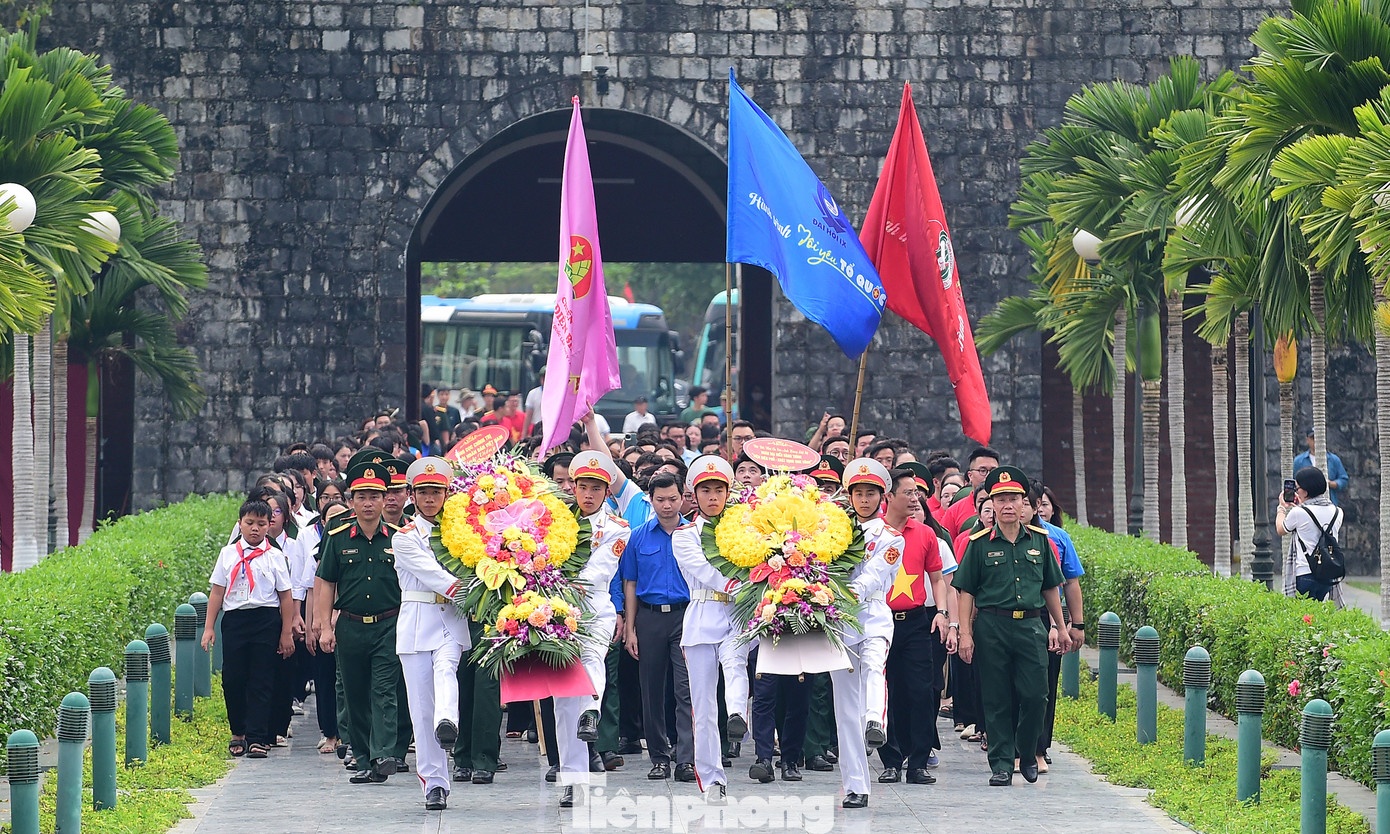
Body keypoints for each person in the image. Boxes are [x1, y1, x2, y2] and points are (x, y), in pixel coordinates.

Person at [951, 465, 1070, 787]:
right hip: (992, 626)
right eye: (1000, 499)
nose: (1007, 505)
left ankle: (1028, 752)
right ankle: (1002, 763)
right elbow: (966, 592)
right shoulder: (979, 543)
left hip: (1031, 627)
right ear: (992, 503)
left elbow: (1050, 587)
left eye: (1013, 499)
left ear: (1024, 504)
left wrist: (1060, 626)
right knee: (996, 697)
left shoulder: (1041, 541)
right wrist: (966, 633)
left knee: (1036, 696)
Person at [314, 461, 411, 784]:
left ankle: (385, 752)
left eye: (374, 496)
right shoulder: (338, 537)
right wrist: (324, 626)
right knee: (355, 694)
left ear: (385, 500)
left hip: (389, 624)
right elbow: (325, 582)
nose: (368, 503)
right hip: (351, 625)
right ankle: (366, 759)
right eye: (362, 497)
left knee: (384, 690)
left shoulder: (400, 537)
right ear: (352, 501)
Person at [390, 458, 470, 810]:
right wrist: (470, 589)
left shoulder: (463, 535)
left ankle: (448, 719)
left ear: (446, 494)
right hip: (418, 620)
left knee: (446, 670)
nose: (429, 499)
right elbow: (431, 574)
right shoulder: (404, 537)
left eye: (436, 492)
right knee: (420, 710)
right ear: (412, 495)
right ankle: (434, 784)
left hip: (450, 620)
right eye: (422, 492)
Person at [555, 451, 629, 808]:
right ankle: (572, 779)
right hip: (555, 609)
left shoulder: (617, 528)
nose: (588, 494)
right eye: (582, 487)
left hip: (594, 607)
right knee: (561, 701)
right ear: (573, 487)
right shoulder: (555, 521)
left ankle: (592, 711)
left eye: (596, 488)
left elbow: (599, 570)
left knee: (593, 659)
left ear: (605, 491)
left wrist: (559, 580)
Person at [671, 455, 747, 805]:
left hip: (735, 614)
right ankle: (712, 777)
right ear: (694, 494)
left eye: (719, 490)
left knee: (736, 667)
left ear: (728, 492)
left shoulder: (745, 529)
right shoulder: (685, 535)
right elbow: (705, 571)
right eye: (706, 490)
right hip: (702, 613)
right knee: (701, 706)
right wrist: (741, 584)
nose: (713, 497)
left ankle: (736, 715)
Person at [833, 458, 904, 809]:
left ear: (882, 496)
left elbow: (875, 575)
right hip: (838, 620)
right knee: (844, 707)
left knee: (874, 668)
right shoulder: (834, 532)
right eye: (858, 493)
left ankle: (876, 718)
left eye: (870, 493)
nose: (864, 499)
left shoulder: (891, 537)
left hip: (872, 614)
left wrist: (840, 592)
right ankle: (855, 785)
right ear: (849, 495)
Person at [202, 498, 295, 759]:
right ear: (240, 524)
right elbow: (217, 592)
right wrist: (209, 628)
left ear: (269, 526)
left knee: (261, 678)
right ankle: (238, 731)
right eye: (250, 523)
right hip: (235, 620)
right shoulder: (228, 554)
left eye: (261, 524)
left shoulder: (275, 556)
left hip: (265, 620)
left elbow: (285, 597)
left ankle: (257, 736)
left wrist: (286, 632)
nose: (255, 529)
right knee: (233, 678)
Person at [877, 466, 950, 785]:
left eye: (917, 493)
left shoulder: (925, 534)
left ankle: (918, 761)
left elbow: (937, 578)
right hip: (880, 621)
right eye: (908, 492)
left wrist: (943, 613)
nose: (915, 498)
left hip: (917, 622)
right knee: (887, 692)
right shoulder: (873, 533)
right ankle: (891, 760)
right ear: (889, 496)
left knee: (921, 691)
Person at [621, 472, 695, 781]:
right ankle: (659, 757)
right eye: (660, 500)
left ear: (683, 498)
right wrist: (630, 628)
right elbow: (630, 582)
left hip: (686, 616)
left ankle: (686, 759)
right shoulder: (638, 535)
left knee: (685, 690)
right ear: (650, 500)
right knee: (650, 691)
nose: (667, 506)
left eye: (673, 499)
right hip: (649, 617)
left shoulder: (693, 533)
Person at [1276, 466, 1343, 602]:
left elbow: (1281, 529)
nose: (1296, 492)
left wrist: (1282, 508)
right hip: (1327, 574)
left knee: (1304, 617)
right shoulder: (1337, 512)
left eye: (1297, 488)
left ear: (1305, 491)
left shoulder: (1298, 513)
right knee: (1316, 616)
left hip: (1305, 573)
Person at [940, 446, 1000, 535]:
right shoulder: (954, 511)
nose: (988, 475)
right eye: (982, 470)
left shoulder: (1007, 507)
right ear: (970, 475)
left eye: (993, 471)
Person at [1293, 428, 1349, 507]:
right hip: (1305, 504)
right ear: (1307, 440)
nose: (1316, 441)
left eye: (1318, 438)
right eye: (1313, 438)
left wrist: (1331, 483)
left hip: (1329, 502)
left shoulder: (1333, 459)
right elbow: (1293, 481)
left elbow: (1343, 479)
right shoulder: (1299, 461)